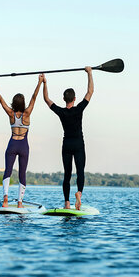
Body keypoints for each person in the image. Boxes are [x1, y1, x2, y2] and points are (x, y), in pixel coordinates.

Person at [0, 74, 44, 208]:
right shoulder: (27, 113)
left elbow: (0, 99)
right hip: (23, 145)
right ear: (23, 104)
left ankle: (5, 199)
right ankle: (19, 202)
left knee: (8, 171)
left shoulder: (10, 114)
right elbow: (34, 98)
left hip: (12, 144)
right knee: (22, 173)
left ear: (13, 103)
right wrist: (40, 82)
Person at [42, 67, 94, 210]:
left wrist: (44, 82)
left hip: (66, 144)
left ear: (64, 99)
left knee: (67, 175)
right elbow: (90, 92)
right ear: (75, 99)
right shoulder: (79, 109)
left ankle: (66, 203)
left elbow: (46, 99)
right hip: (78, 144)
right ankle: (79, 193)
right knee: (80, 172)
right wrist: (89, 73)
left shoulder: (61, 112)